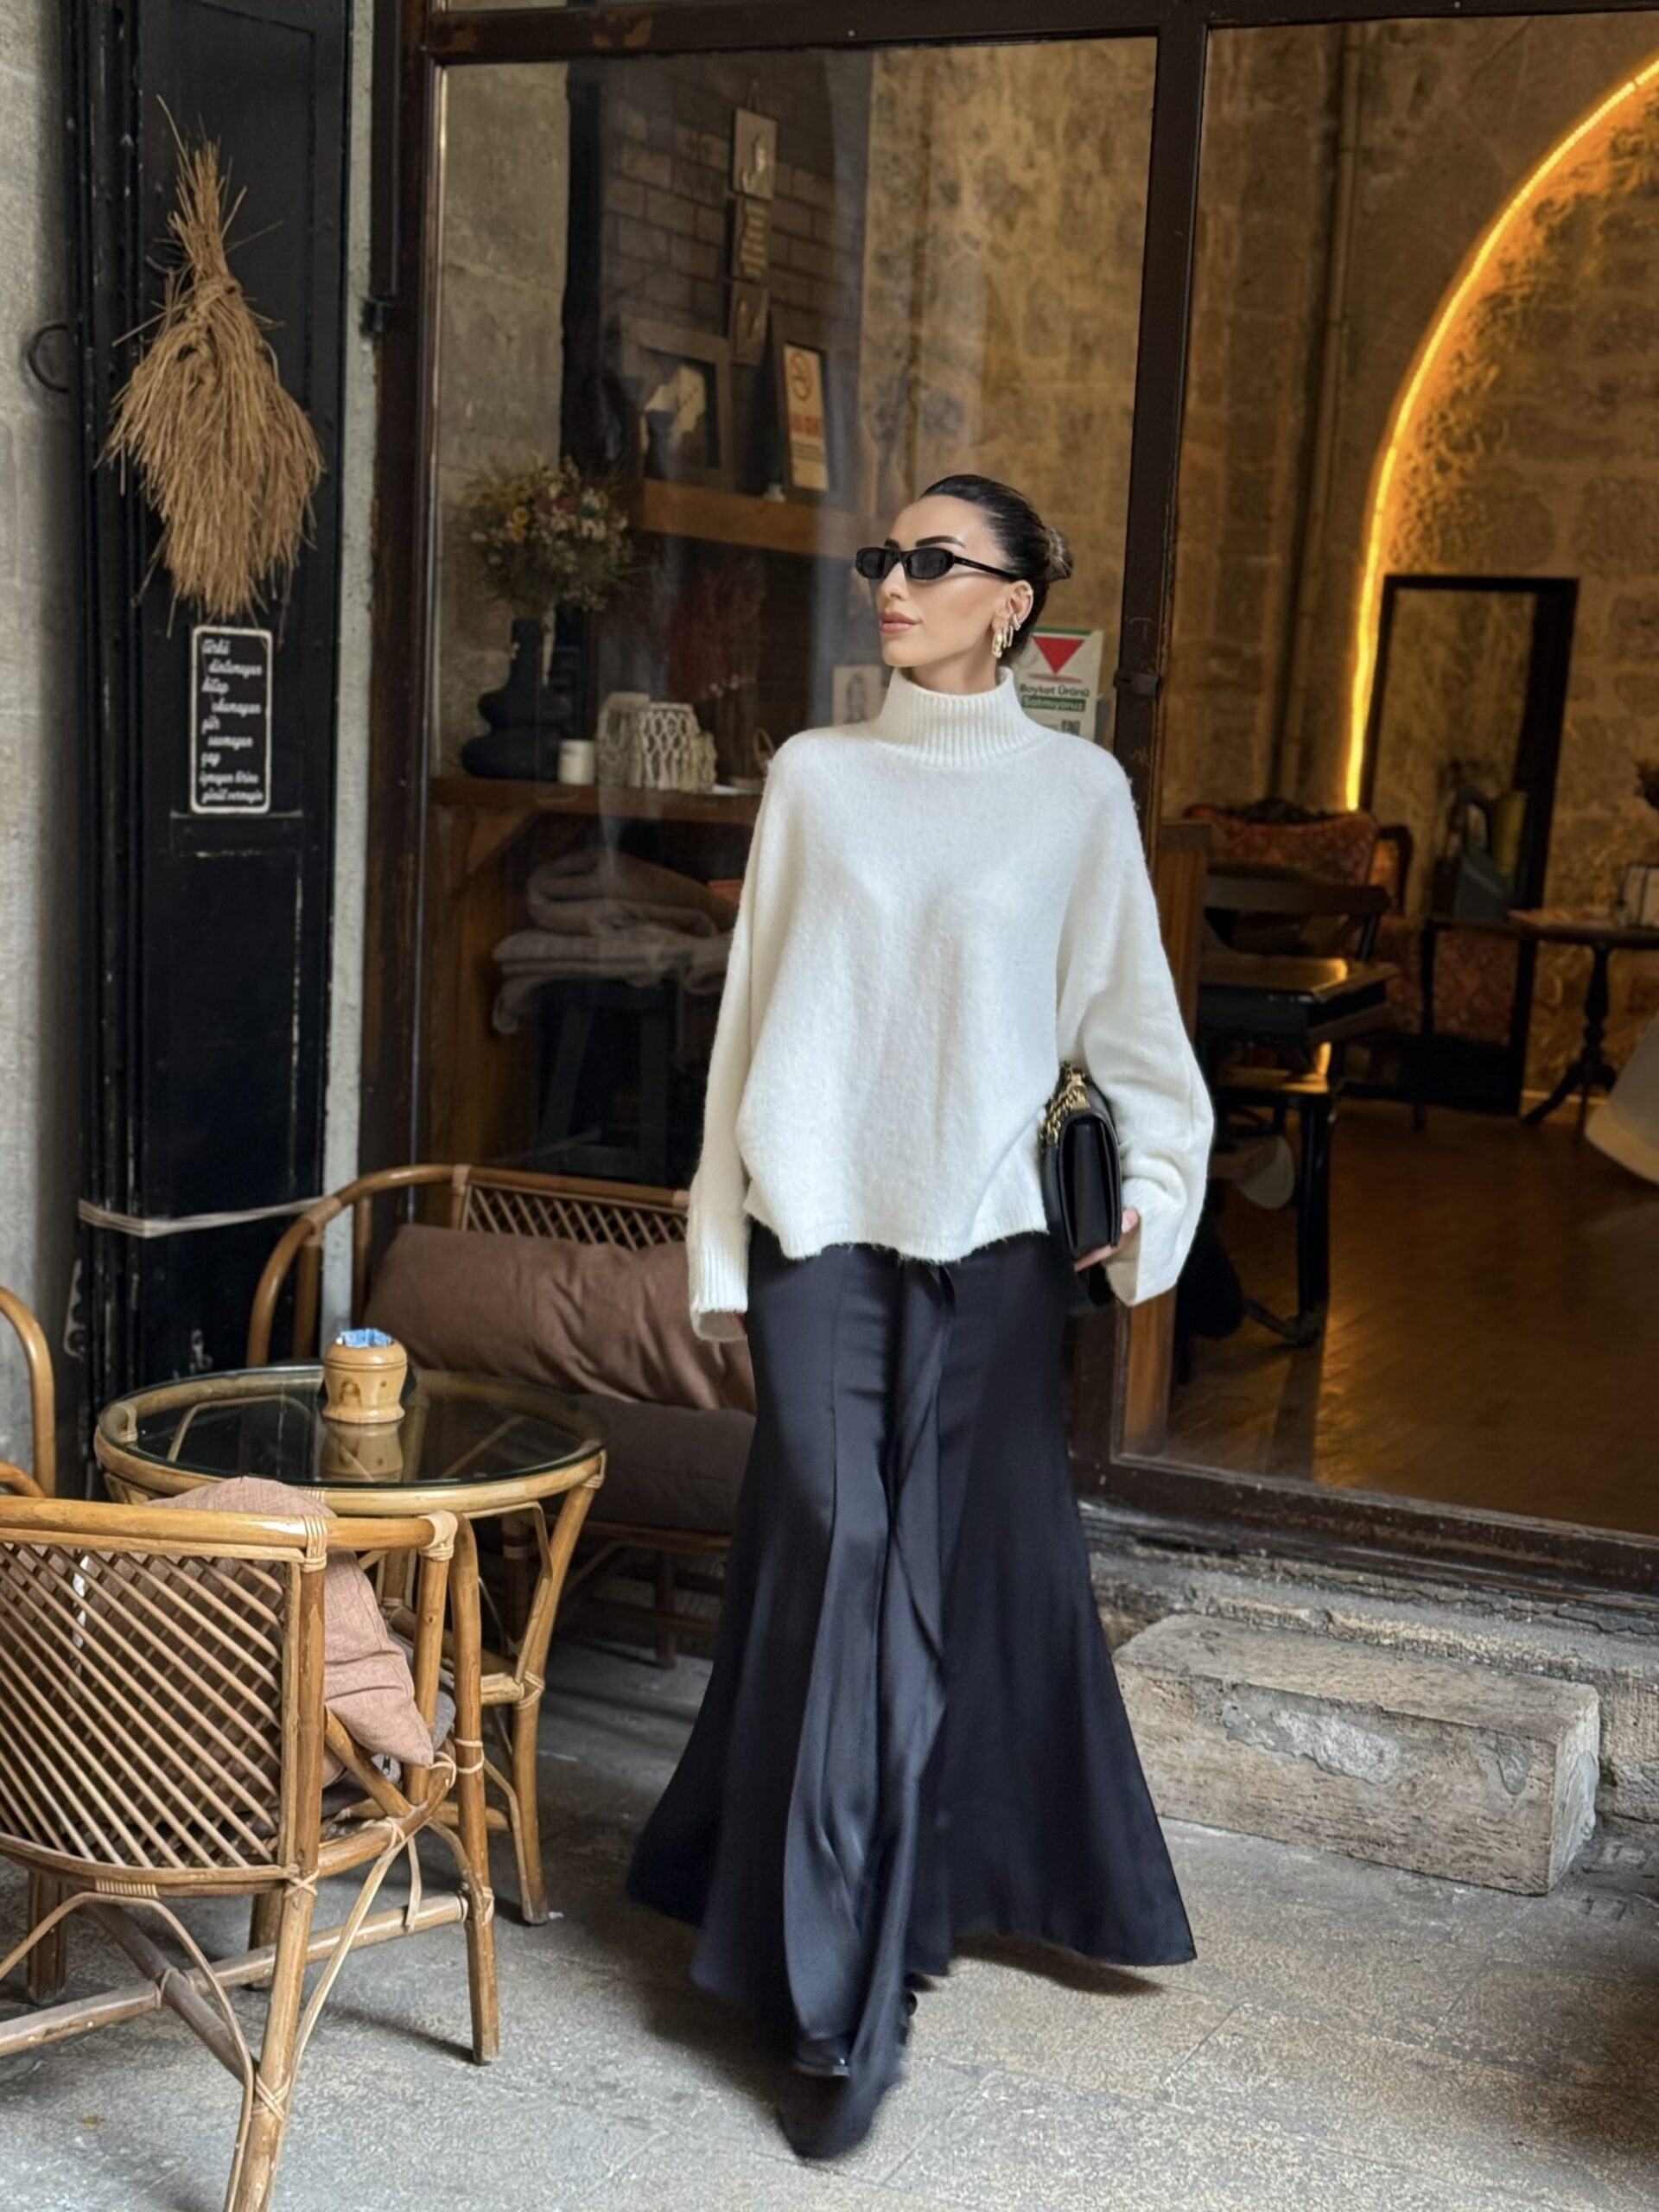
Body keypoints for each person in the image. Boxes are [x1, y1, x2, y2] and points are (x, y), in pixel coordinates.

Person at [626, 473, 1214, 2158]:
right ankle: (835, 1982)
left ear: (1014, 601)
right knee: (839, 1538)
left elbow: (1133, 1031)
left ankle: (858, 1978)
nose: (892, 579)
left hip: (994, 1249)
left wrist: (1152, 1200)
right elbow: (749, 1027)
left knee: (929, 1574)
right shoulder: (818, 776)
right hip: (818, 1228)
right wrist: (718, 1247)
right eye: (887, 555)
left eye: (932, 559)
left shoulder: (1077, 794)